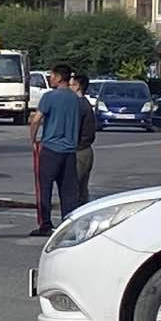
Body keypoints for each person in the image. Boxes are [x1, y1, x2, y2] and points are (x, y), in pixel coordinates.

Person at [28, 63, 81, 238]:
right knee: (68, 191)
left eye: (52, 75)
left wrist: (33, 139)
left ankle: (45, 224)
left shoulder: (49, 97)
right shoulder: (75, 99)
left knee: (44, 188)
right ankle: (68, 225)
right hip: (70, 150)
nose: (50, 78)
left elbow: (36, 120)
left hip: (51, 148)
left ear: (59, 78)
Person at [70, 72, 97, 205]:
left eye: (71, 85)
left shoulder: (79, 105)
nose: (69, 88)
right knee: (81, 189)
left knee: (74, 188)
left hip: (80, 150)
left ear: (77, 87)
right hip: (85, 149)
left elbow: (74, 128)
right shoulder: (84, 103)